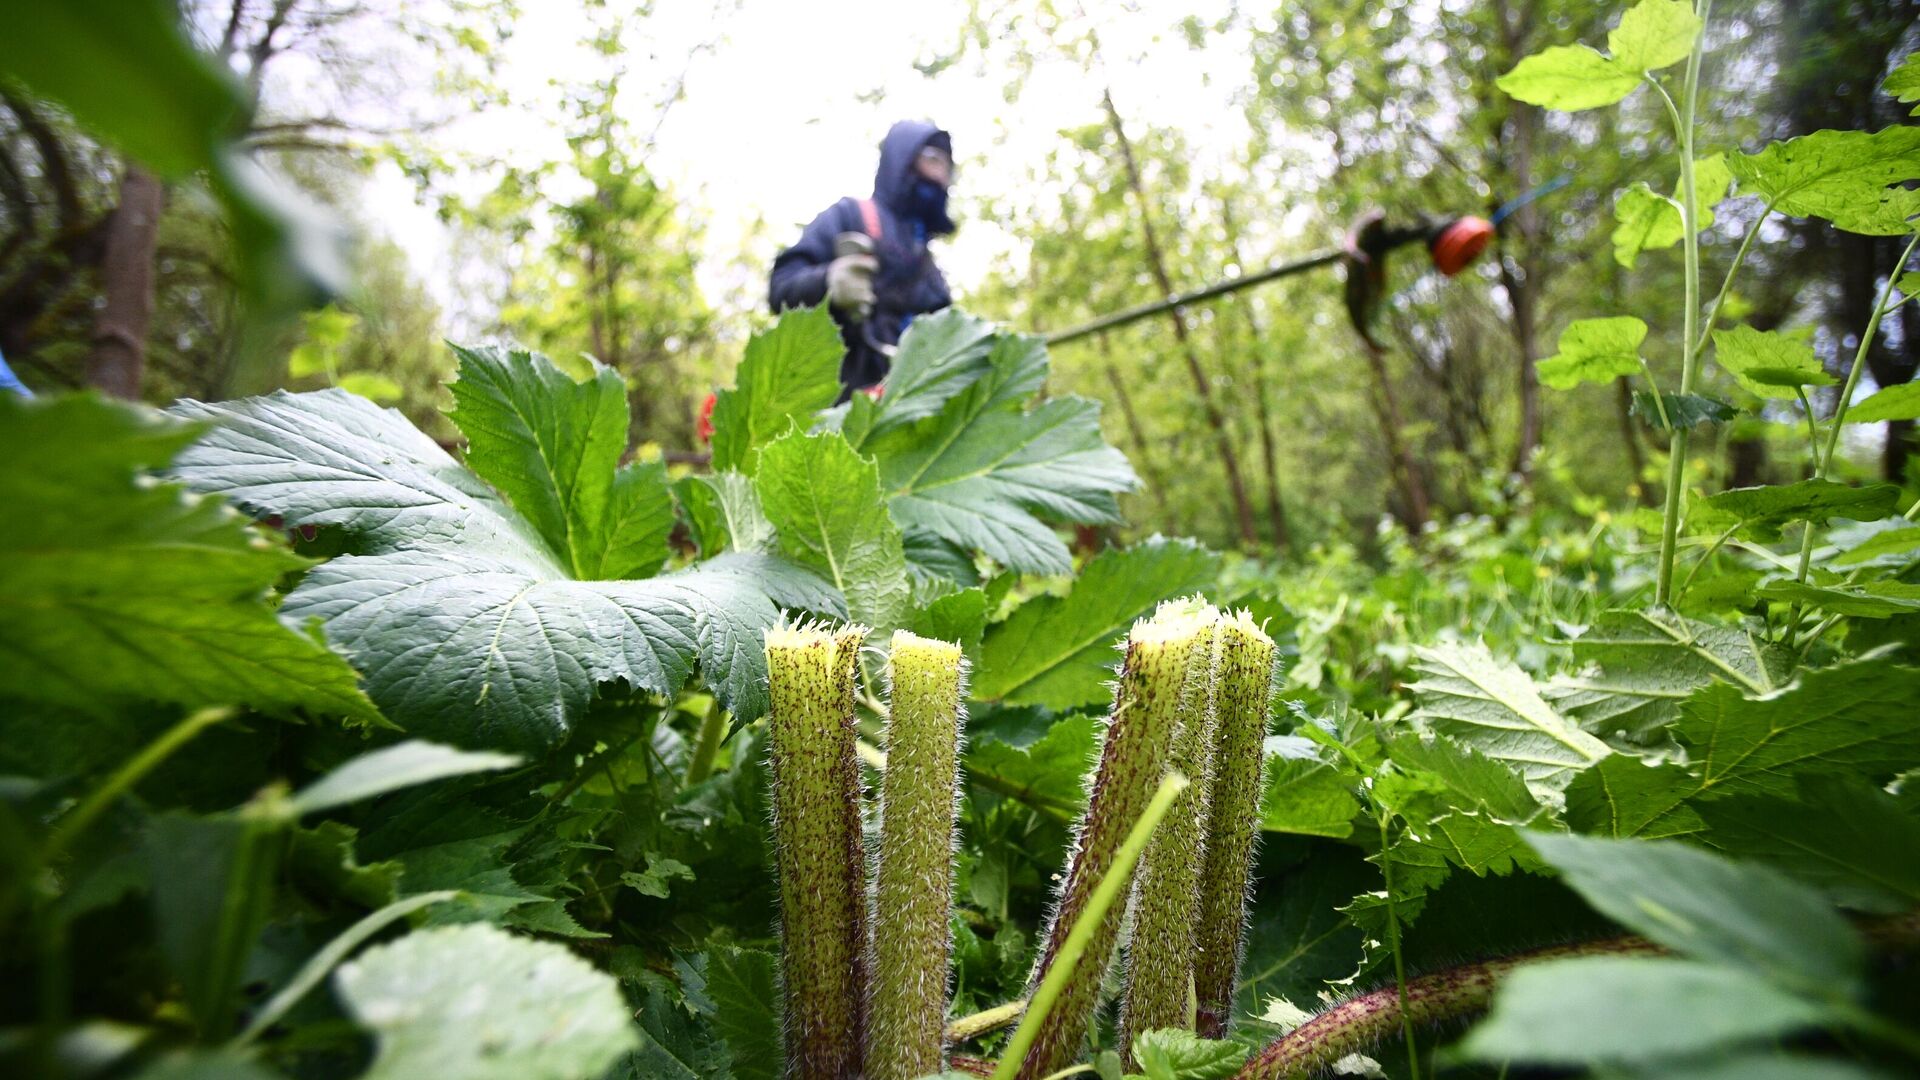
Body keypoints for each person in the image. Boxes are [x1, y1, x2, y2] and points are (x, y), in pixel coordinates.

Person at [769, 120, 955, 397]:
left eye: (948, 169)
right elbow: (780, 288)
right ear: (903, 158)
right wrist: (828, 282)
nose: (941, 175)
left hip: (903, 400)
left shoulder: (926, 261)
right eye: (933, 159)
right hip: (836, 397)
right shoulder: (850, 216)